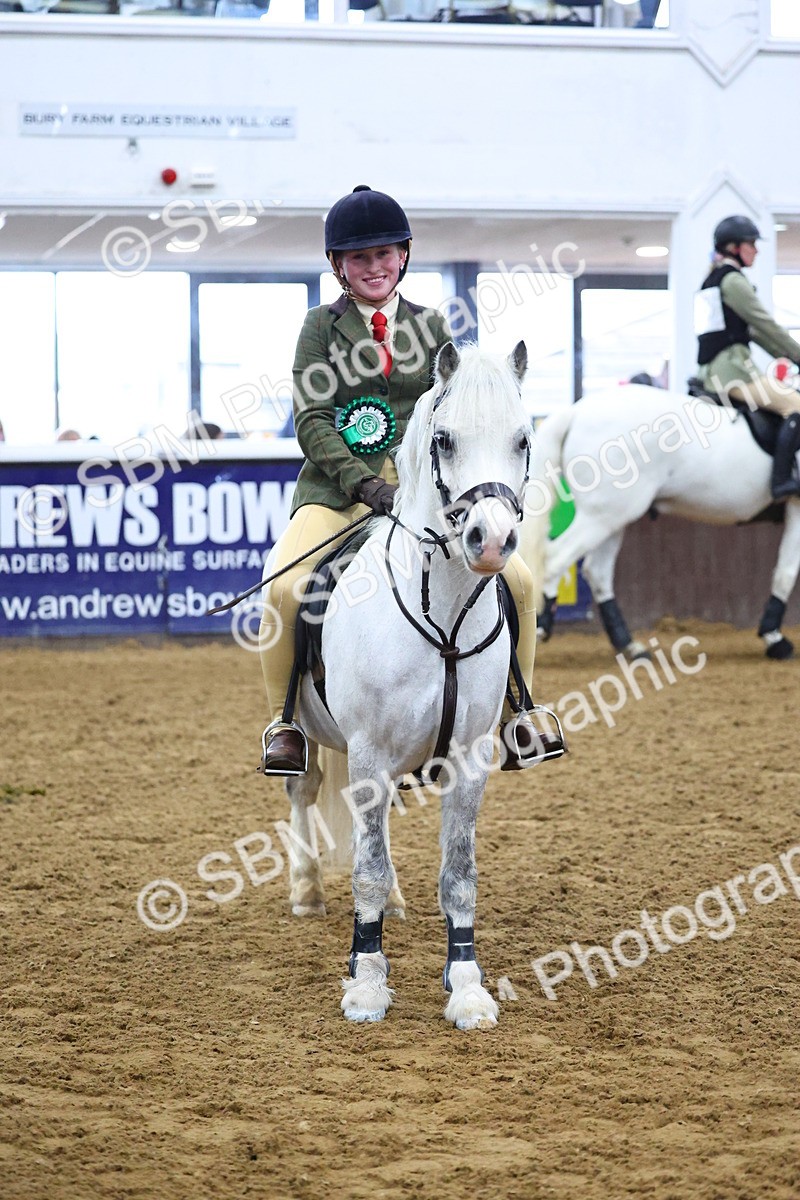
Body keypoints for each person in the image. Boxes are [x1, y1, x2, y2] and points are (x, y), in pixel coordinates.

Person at [257, 184, 541, 775]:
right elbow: (311, 418)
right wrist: (363, 484)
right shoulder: (319, 328)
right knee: (286, 590)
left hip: (424, 498)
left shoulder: (431, 325)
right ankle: (287, 725)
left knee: (519, 581)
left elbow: (453, 412)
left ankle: (517, 712)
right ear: (338, 266)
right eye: (359, 258)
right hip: (337, 494)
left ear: (404, 256)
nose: (373, 267)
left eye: (384, 254)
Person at [695, 214, 800, 500]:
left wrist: (788, 356)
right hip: (733, 372)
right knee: (796, 405)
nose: (756, 250)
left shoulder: (712, 279)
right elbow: (766, 325)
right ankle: (781, 481)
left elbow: (752, 332)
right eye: (751, 244)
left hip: (709, 369)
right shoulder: (733, 281)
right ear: (734, 247)